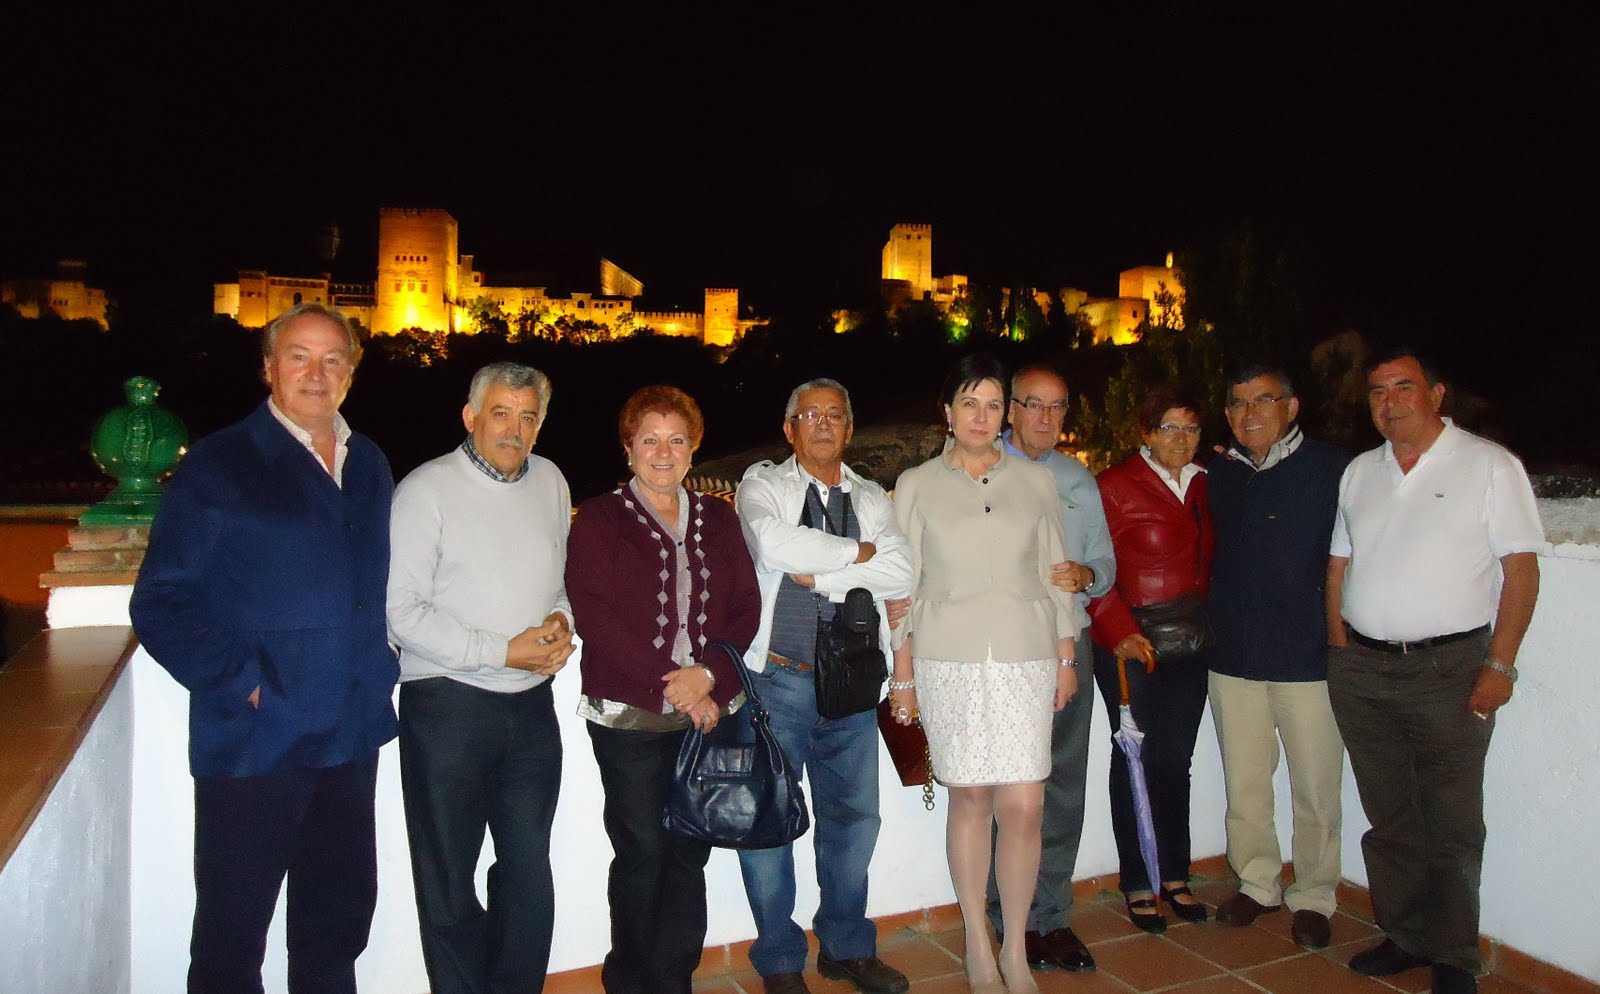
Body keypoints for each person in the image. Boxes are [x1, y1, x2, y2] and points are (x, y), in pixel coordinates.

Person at [131, 302, 397, 994]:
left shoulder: (369, 462)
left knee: (337, 922)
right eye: (299, 357)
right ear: (269, 368)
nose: (317, 373)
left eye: (333, 359)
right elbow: (161, 601)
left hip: (350, 733)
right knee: (233, 931)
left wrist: (381, 669)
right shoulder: (220, 463)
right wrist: (247, 683)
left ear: (351, 372)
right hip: (256, 740)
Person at [1326, 347, 1542, 994]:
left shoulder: (1489, 465)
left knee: (1451, 821)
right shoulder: (1360, 472)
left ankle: (1453, 955)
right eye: (1377, 391)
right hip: (1363, 670)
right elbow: (1338, 564)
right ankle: (1405, 936)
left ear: (1436, 394)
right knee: (1390, 817)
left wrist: (1500, 664)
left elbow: (1522, 570)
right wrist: (1340, 648)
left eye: (1404, 387)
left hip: (1449, 670)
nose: (1389, 402)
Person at [888, 353, 1079, 994]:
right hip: (949, 659)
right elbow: (903, 587)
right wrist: (903, 674)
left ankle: (1016, 949)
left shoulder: (1036, 481)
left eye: (993, 404)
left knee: (1025, 804)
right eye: (969, 403)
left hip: (1027, 656)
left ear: (1006, 415)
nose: (981, 416)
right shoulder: (916, 484)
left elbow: (1057, 573)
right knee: (970, 798)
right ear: (947, 412)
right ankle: (977, 940)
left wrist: (1066, 657)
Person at [386, 362, 576, 994]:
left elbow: (558, 583)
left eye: (528, 417)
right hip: (447, 708)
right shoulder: (426, 491)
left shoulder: (551, 481)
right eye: (501, 413)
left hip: (531, 710)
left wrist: (561, 622)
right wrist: (501, 651)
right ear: (470, 417)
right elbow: (401, 612)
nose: (514, 429)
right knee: (448, 877)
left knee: (528, 873)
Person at [565, 385, 762, 994]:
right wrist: (675, 684)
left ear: (693, 449)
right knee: (642, 850)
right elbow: (595, 616)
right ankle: (630, 981)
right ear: (628, 449)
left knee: (689, 849)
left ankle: (674, 978)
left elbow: (746, 608)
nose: (663, 452)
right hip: (629, 718)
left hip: (707, 715)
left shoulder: (720, 519)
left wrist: (709, 677)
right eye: (649, 440)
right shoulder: (598, 519)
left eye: (676, 440)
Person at [733, 378, 915, 994]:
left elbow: (903, 571)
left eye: (835, 415)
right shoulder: (763, 485)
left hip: (856, 685)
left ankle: (846, 947)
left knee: (855, 821)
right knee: (770, 823)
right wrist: (863, 556)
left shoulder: (872, 496)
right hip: (777, 682)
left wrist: (822, 576)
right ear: (789, 430)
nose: (823, 424)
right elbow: (773, 544)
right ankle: (780, 962)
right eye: (810, 415)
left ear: (850, 429)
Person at [1206, 363, 1351, 949]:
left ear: (1291, 407)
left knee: (1316, 786)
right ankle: (1258, 883)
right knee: (1245, 784)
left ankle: (1314, 894)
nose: (1250, 413)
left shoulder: (1334, 469)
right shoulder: (1219, 473)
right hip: (1233, 654)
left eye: (1263, 399)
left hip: (1308, 656)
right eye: (1239, 403)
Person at [985, 364, 1115, 972]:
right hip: (1003, 647)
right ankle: (1002, 914)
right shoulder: (978, 471)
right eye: (1033, 404)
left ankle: (1052, 917)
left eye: (1056, 406)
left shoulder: (1077, 479)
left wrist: (1087, 575)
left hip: (1070, 648)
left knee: (1062, 782)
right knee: (1002, 784)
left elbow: (1104, 566)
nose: (1045, 417)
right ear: (1011, 410)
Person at [1087, 383, 1215, 934]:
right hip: (1131, 642)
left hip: (1191, 641)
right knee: (1133, 759)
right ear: (1145, 432)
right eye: (1169, 427)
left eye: (1190, 427)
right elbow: (1090, 568)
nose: (1181, 438)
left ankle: (1175, 873)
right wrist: (1118, 630)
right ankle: (1139, 879)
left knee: (1174, 760)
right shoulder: (1113, 487)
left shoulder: (1206, 482)